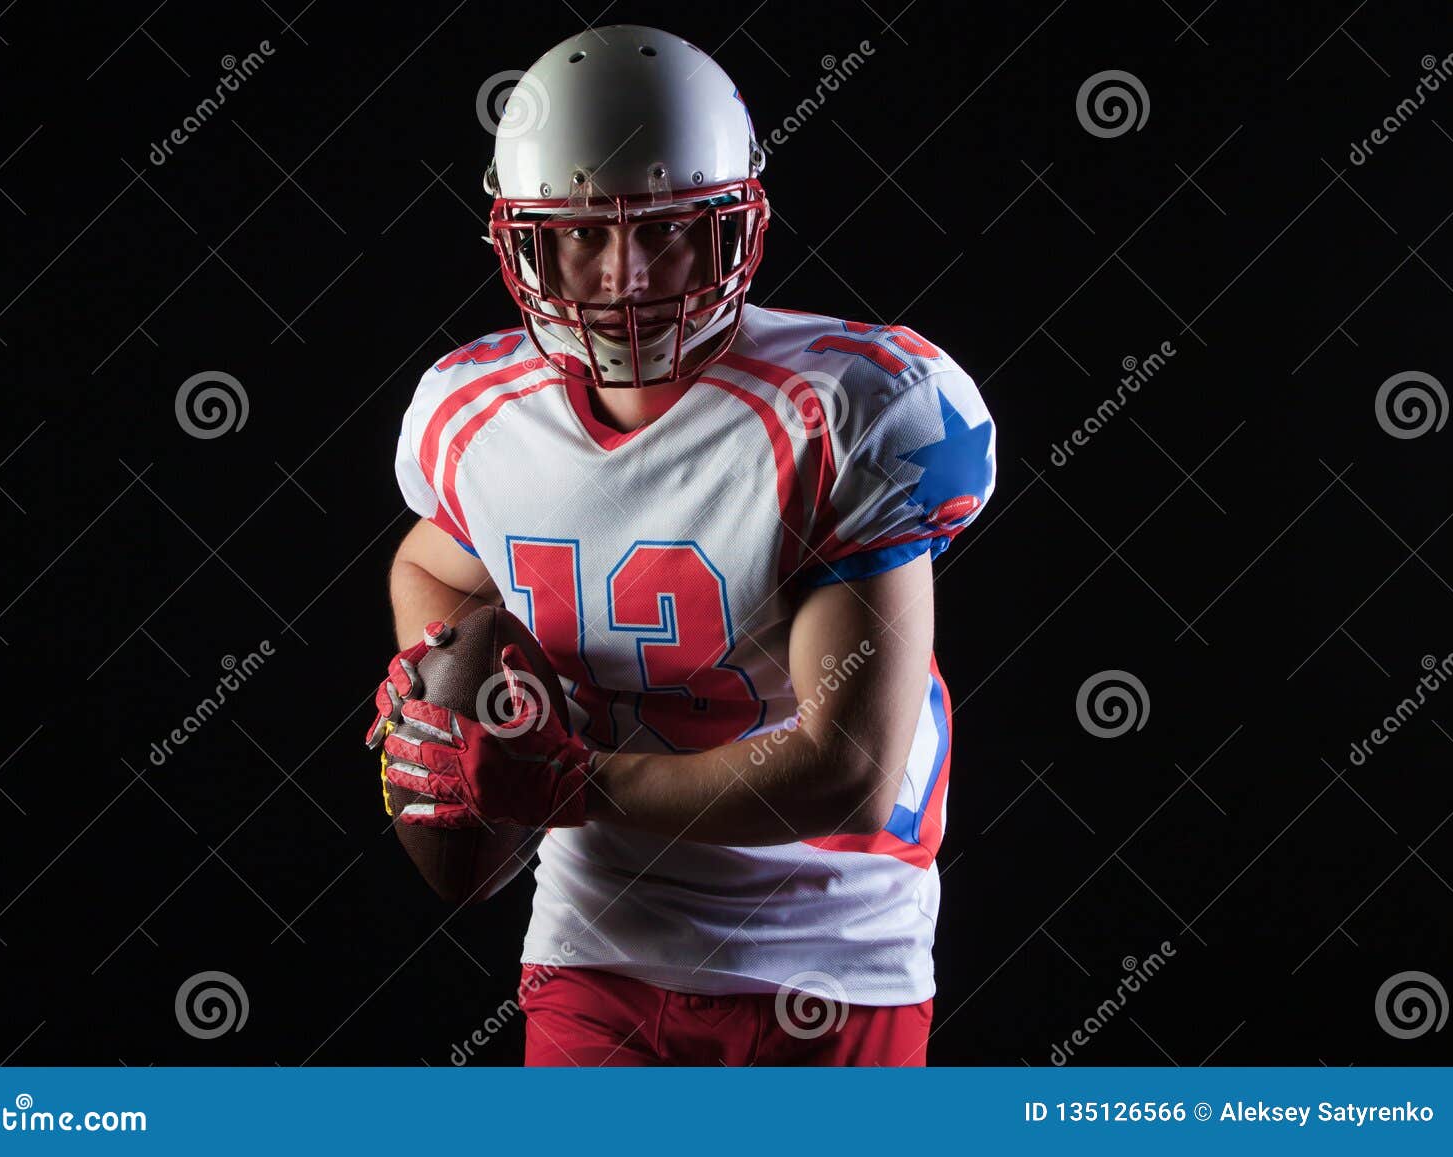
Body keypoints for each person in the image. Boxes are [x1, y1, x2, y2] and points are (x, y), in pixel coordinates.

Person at [366, 24, 996, 1066]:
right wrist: (458, 685)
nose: (625, 272)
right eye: (581, 232)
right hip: (597, 932)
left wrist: (560, 781)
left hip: (825, 941)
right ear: (521, 239)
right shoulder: (475, 411)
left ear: (735, 225)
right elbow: (429, 561)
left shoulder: (844, 407)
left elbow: (845, 766)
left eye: (665, 228)